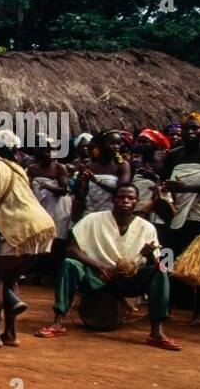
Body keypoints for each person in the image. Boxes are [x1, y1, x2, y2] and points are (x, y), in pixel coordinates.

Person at [35, 185, 176, 348]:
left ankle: (156, 332)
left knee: (160, 272)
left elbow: (162, 262)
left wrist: (150, 255)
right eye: (121, 197)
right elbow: (72, 250)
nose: (125, 201)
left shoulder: (147, 228)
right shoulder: (93, 219)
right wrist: (98, 266)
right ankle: (58, 322)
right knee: (69, 264)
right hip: (95, 277)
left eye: (131, 198)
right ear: (113, 200)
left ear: (136, 202)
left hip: (127, 281)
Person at [0, 138, 56, 347]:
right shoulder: (14, 165)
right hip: (41, 226)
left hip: (17, 228)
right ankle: (11, 334)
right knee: (10, 281)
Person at [161, 112, 200, 326]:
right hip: (177, 215)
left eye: (195, 129)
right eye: (187, 129)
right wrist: (165, 192)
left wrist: (189, 187)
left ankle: (199, 314)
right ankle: (162, 306)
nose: (191, 132)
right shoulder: (174, 155)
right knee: (165, 258)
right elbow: (166, 181)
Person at [27, 138, 72, 284]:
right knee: (38, 239)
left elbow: (63, 190)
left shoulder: (60, 168)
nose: (51, 153)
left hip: (57, 208)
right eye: (47, 150)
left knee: (55, 241)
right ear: (39, 151)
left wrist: (48, 186)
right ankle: (35, 272)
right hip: (39, 207)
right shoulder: (33, 168)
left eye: (53, 149)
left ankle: (50, 273)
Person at [73, 129, 131, 217]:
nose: (116, 147)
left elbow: (121, 192)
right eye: (112, 143)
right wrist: (79, 179)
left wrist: (96, 181)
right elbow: (79, 194)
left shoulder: (122, 165)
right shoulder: (89, 165)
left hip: (111, 214)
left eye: (118, 143)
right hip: (89, 213)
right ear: (101, 145)